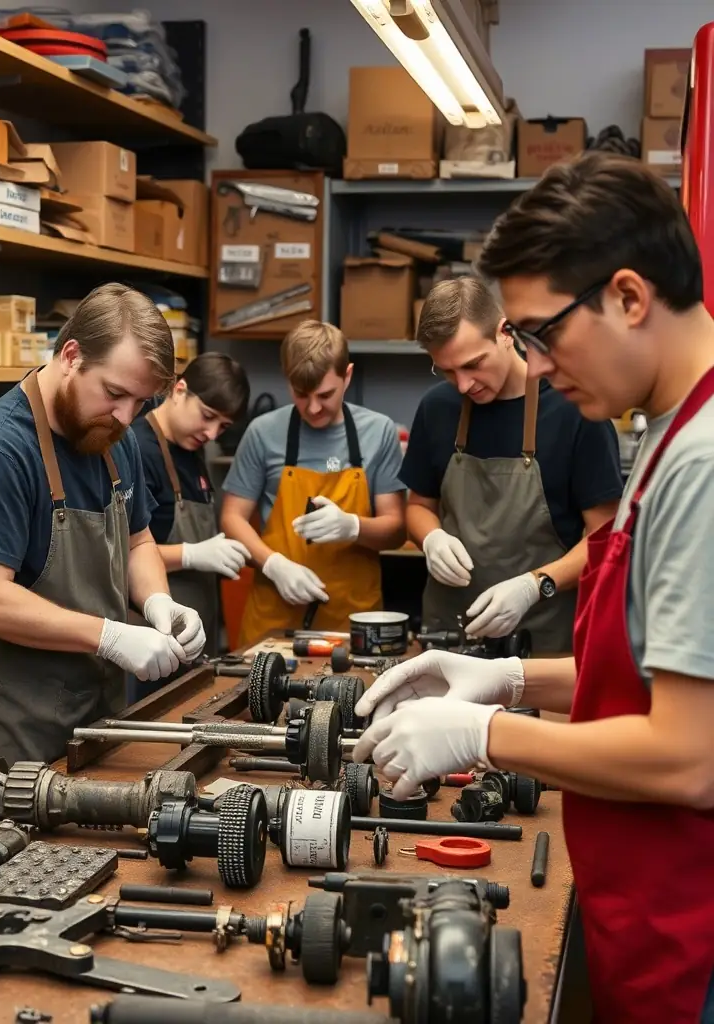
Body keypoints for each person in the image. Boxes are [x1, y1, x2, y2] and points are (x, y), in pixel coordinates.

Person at [353, 152, 714, 1024]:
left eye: (543, 332)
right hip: (648, 916)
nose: (539, 365)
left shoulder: (702, 461)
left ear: (629, 297)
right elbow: (648, 673)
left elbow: (690, 756)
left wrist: (489, 731)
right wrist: (507, 679)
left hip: (690, 937)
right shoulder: (667, 435)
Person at [0, 283, 206, 823]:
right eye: (115, 392)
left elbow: (138, 540)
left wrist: (158, 601)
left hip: (98, 714)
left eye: (142, 402)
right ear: (70, 356)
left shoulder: (114, 437)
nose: (126, 415)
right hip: (16, 728)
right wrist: (109, 635)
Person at [403, 275, 623, 652]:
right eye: (447, 371)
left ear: (505, 332)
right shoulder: (437, 408)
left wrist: (534, 585)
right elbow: (419, 507)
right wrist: (431, 538)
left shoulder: (575, 410)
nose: (463, 385)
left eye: (473, 364)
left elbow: (603, 538)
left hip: (539, 645)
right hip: (450, 640)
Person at [220, 320, 407, 644]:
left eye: (325, 394)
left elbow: (396, 530)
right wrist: (274, 565)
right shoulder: (263, 433)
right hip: (275, 620)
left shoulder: (379, 432)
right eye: (301, 395)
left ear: (347, 376)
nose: (314, 407)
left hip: (352, 622)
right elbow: (232, 518)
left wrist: (353, 526)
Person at [132, 352, 251, 664]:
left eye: (223, 427)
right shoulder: (138, 450)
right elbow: (120, 554)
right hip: (152, 641)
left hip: (196, 638)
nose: (212, 434)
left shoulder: (191, 449)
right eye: (207, 416)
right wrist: (192, 554)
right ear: (179, 390)